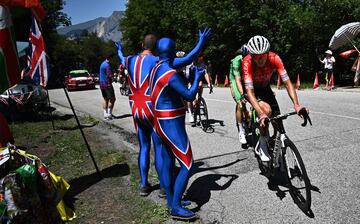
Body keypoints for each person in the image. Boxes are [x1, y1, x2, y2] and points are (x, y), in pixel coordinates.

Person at [115, 28, 212, 198]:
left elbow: (121, 58)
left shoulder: (129, 60)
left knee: (144, 147)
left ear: (141, 45)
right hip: (153, 110)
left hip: (136, 110)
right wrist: (201, 42)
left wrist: (119, 50)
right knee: (160, 150)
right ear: (156, 49)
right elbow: (189, 58)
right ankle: (163, 187)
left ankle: (144, 184)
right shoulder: (158, 61)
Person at [149, 37, 209, 220]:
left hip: (158, 121)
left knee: (167, 162)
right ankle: (175, 207)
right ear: (173, 52)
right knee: (187, 164)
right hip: (171, 122)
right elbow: (190, 96)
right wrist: (198, 77)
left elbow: (188, 58)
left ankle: (171, 201)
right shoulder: (170, 73)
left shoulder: (157, 68)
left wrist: (200, 42)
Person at [242, 35, 307, 162]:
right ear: (251, 54)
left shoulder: (274, 58)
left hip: (266, 88)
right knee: (267, 111)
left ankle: (274, 145)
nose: (260, 58)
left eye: (263, 55)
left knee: (278, 124)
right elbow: (249, 92)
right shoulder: (247, 62)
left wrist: (297, 105)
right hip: (253, 91)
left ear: (268, 53)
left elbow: (287, 82)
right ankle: (262, 143)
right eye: (256, 55)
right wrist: (261, 114)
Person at [229, 44, 249, 145]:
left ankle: (250, 118)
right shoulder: (237, 61)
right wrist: (241, 94)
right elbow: (237, 80)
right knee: (240, 103)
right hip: (235, 80)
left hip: (245, 79)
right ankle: (241, 130)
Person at [99, 54, 116, 120]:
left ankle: (105, 114)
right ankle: (109, 114)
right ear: (110, 58)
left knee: (105, 99)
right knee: (112, 99)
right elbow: (109, 75)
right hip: (107, 84)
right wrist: (114, 78)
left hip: (102, 84)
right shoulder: (107, 65)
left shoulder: (102, 64)